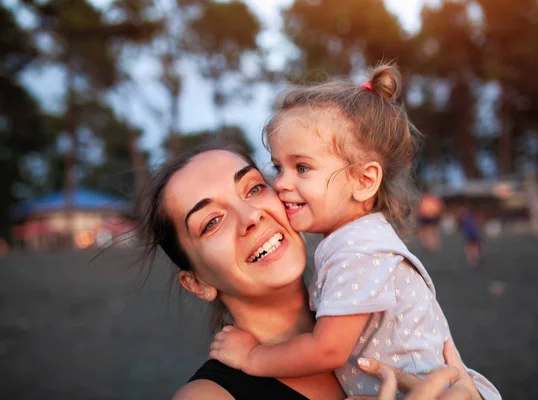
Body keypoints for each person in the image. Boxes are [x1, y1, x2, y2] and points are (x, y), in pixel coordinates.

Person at [209, 65, 500, 399]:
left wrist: (252, 357)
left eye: (302, 168)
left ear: (363, 181)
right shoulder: (356, 240)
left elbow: (327, 350)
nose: (281, 183)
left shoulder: (358, 250)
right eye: (278, 167)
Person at [136, 137, 483, 399]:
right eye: (211, 221)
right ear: (196, 283)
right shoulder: (209, 396)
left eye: (254, 188)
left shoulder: (383, 329)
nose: (251, 216)